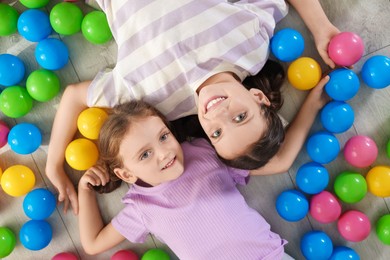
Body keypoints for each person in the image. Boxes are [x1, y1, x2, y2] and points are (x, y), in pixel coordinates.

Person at [48, 0, 339, 214]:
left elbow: (74, 96)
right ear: (258, 98)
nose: (219, 115)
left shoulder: (152, 102)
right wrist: (321, 28)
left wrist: (53, 165)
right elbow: (280, 161)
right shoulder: (251, 44)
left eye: (216, 134)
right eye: (241, 116)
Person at [78, 100, 297, 259]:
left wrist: (314, 102)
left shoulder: (205, 153)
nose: (164, 153)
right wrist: (84, 190)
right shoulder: (142, 207)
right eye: (145, 154)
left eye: (164, 137)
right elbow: (93, 243)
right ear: (126, 174)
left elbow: (280, 162)